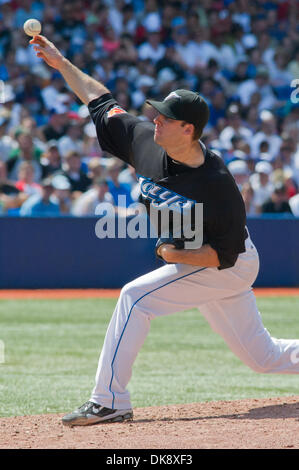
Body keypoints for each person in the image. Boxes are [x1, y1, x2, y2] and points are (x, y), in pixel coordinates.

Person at [31, 34, 299, 427]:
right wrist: (61, 63)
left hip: (226, 263)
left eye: (165, 117)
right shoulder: (146, 140)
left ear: (188, 129)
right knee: (263, 358)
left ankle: (109, 401)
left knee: (135, 298)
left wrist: (173, 255)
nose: (154, 119)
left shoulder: (218, 184)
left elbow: (220, 257)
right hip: (210, 260)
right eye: (156, 113)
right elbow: (99, 98)